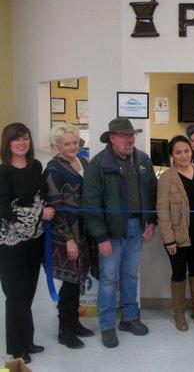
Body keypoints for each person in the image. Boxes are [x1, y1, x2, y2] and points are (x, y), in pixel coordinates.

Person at [82, 118, 157, 348]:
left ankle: (129, 318)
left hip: (137, 227)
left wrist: (151, 221)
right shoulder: (98, 164)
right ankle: (107, 326)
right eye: (124, 135)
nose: (130, 139)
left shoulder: (143, 160)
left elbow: (152, 192)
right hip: (111, 233)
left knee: (130, 275)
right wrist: (101, 237)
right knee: (107, 280)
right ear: (112, 137)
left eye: (132, 135)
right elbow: (91, 205)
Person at [0, 123, 55, 364]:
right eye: (16, 139)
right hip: (11, 243)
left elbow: (41, 198)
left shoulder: (36, 167)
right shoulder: (3, 172)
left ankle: (28, 340)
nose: (22, 143)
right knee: (15, 295)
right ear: (7, 143)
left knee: (29, 293)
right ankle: (16, 348)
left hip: (35, 239)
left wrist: (42, 213)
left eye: (25, 138)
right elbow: (3, 209)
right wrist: (38, 214)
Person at [43, 124, 97, 349]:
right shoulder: (53, 169)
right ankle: (65, 330)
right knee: (69, 283)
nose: (73, 146)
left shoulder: (83, 162)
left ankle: (74, 323)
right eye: (67, 144)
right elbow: (54, 208)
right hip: (66, 235)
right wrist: (69, 239)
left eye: (75, 142)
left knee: (78, 281)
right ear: (57, 145)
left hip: (84, 232)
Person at [157, 135, 194, 331]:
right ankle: (179, 313)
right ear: (172, 155)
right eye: (178, 152)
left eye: (187, 150)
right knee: (179, 274)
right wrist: (169, 239)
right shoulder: (167, 178)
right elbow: (162, 211)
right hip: (177, 236)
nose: (184, 155)